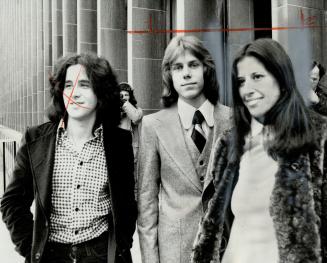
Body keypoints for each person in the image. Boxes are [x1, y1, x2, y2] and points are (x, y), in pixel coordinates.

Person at [191, 39, 327, 263]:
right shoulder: (229, 146)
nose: (248, 89)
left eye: (257, 77)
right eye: (241, 81)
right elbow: (213, 228)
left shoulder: (317, 140)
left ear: (281, 79)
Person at [1, 53, 137, 263]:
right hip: (51, 254)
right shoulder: (36, 139)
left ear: (100, 92)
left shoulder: (119, 143)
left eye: (84, 85)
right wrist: (31, 248)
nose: (74, 93)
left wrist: (120, 246)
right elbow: (12, 201)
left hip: (101, 254)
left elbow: (127, 204)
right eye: (68, 85)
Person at [137, 35, 231, 263]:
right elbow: (147, 204)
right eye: (178, 67)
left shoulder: (233, 120)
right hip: (175, 252)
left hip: (227, 249)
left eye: (193, 65)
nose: (186, 73)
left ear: (206, 69)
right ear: (169, 75)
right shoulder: (153, 126)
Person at [118, 82, 143, 198]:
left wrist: (125, 104)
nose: (123, 97)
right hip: (116, 147)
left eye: (126, 95)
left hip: (131, 148)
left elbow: (136, 118)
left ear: (130, 96)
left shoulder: (136, 109)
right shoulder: (112, 108)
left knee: (132, 178)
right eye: (121, 95)